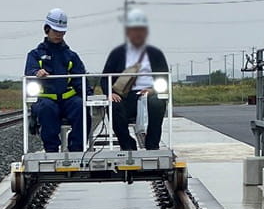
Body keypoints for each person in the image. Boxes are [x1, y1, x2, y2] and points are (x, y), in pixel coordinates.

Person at [101, 8, 169, 151]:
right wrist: (110, 93)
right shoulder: (117, 53)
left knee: (157, 103)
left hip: (149, 94)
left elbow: (165, 79)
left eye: (140, 30)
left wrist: (153, 90)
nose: (137, 33)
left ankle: (152, 144)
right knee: (113, 106)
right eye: (134, 30)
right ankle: (127, 145)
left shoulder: (156, 54)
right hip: (125, 96)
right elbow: (105, 78)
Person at [24, 8, 87, 153]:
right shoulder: (35, 55)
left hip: (68, 99)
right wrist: (36, 73)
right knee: (47, 109)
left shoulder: (71, 56)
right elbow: (29, 72)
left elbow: (80, 79)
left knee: (80, 107)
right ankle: (51, 150)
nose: (59, 35)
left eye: (62, 31)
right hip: (46, 99)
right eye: (55, 31)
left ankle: (77, 149)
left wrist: (88, 96)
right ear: (46, 29)